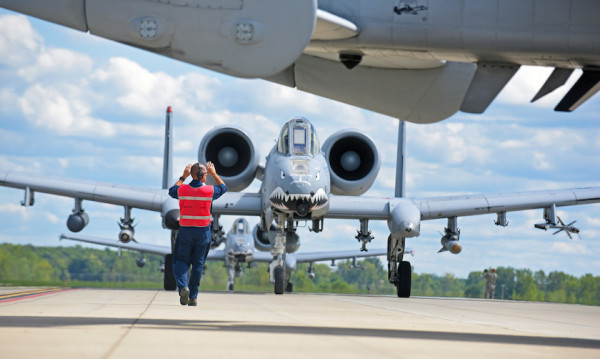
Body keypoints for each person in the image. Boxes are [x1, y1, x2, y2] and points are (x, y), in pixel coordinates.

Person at [169, 161, 226, 306]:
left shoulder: (182, 190)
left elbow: (171, 190)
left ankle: (183, 287)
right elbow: (223, 187)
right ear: (203, 176)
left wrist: (183, 177)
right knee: (198, 264)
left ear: (193, 175)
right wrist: (214, 173)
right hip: (203, 232)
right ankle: (193, 297)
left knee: (180, 262)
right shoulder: (209, 191)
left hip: (186, 231)